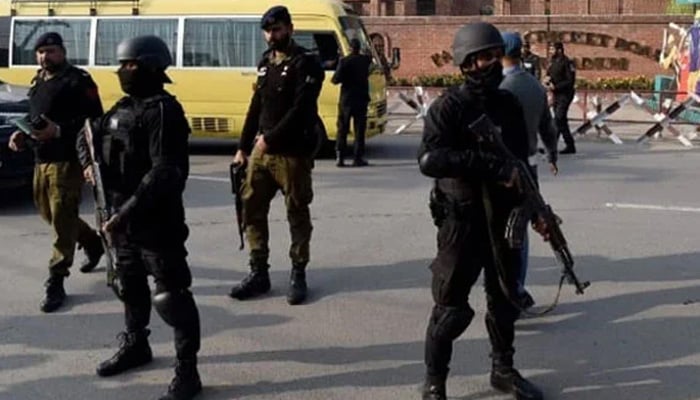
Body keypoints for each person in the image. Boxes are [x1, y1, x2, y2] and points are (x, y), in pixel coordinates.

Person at [417, 22, 547, 400]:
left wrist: (536, 208)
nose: (492, 63)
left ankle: (503, 369)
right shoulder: (449, 108)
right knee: (450, 308)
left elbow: (521, 162)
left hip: (503, 219)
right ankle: (434, 380)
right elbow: (430, 159)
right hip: (463, 219)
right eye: (484, 57)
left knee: (505, 299)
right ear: (467, 63)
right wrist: (488, 166)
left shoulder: (508, 104)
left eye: (495, 56)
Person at [80, 36, 202, 400]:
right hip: (118, 221)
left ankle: (187, 371)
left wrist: (127, 213)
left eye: (129, 65)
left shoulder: (164, 111)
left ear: (150, 66)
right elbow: (85, 135)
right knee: (128, 287)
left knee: (171, 297)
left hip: (155, 222)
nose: (121, 71)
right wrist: (88, 165)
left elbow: (165, 171)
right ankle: (137, 345)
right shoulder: (120, 108)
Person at [229, 5, 324, 306]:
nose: (273, 35)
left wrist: (268, 140)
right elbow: (256, 105)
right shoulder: (266, 62)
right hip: (261, 151)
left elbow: (301, 110)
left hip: (291, 153)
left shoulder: (305, 63)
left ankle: (298, 273)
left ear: (290, 29)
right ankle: (259, 272)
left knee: (296, 212)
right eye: (268, 31)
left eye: (278, 29)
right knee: (251, 208)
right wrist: (243, 147)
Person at [7, 32, 104, 313]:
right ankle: (92, 242)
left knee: (62, 219)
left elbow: (94, 121)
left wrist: (59, 130)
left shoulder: (78, 80)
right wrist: (21, 133)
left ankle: (56, 278)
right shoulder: (38, 80)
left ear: (62, 52)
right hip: (41, 159)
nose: (44, 56)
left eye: (50, 51)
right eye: (40, 52)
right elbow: (34, 116)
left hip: (67, 160)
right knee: (50, 214)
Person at [499, 31, 558, 311]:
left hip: (504, 168)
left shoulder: (501, 87)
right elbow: (548, 125)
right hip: (530, 166)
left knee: (502, 230)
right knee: (520, 229)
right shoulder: (534, 85)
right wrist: (553, 154)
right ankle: (517, 287)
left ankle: (505, 291)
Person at [331, 38, 371, 167]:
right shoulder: (365, 61)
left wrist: (339, 62)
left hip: (347, 100)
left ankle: (340, 157)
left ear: (349, 48)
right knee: (359, 130)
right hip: (361, 99)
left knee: (342, 129)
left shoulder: (344, 62)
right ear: (358, 48)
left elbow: (335, 80)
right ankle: (357, 158)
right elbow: (369, 58)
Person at [546, 41, 577, 154]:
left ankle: (551, 146)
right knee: (561, 121)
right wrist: (547, 80)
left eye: (552, 49)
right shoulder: (552, 62)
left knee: (558, 118)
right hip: (556, 95)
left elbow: (570, 81)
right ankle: (569, 145)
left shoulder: (568, 63)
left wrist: (556, 86)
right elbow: (549, 74)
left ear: (559, 50)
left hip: (565, 94)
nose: (550, 52)